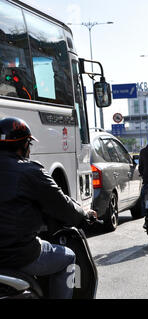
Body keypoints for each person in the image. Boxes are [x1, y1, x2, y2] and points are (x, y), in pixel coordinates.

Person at [0, 117, 97, 299]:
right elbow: (63, 206)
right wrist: (84, 215)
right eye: (29, 145)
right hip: (17, 254)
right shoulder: (30, 171)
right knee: (68, 256)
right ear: (24, 145)